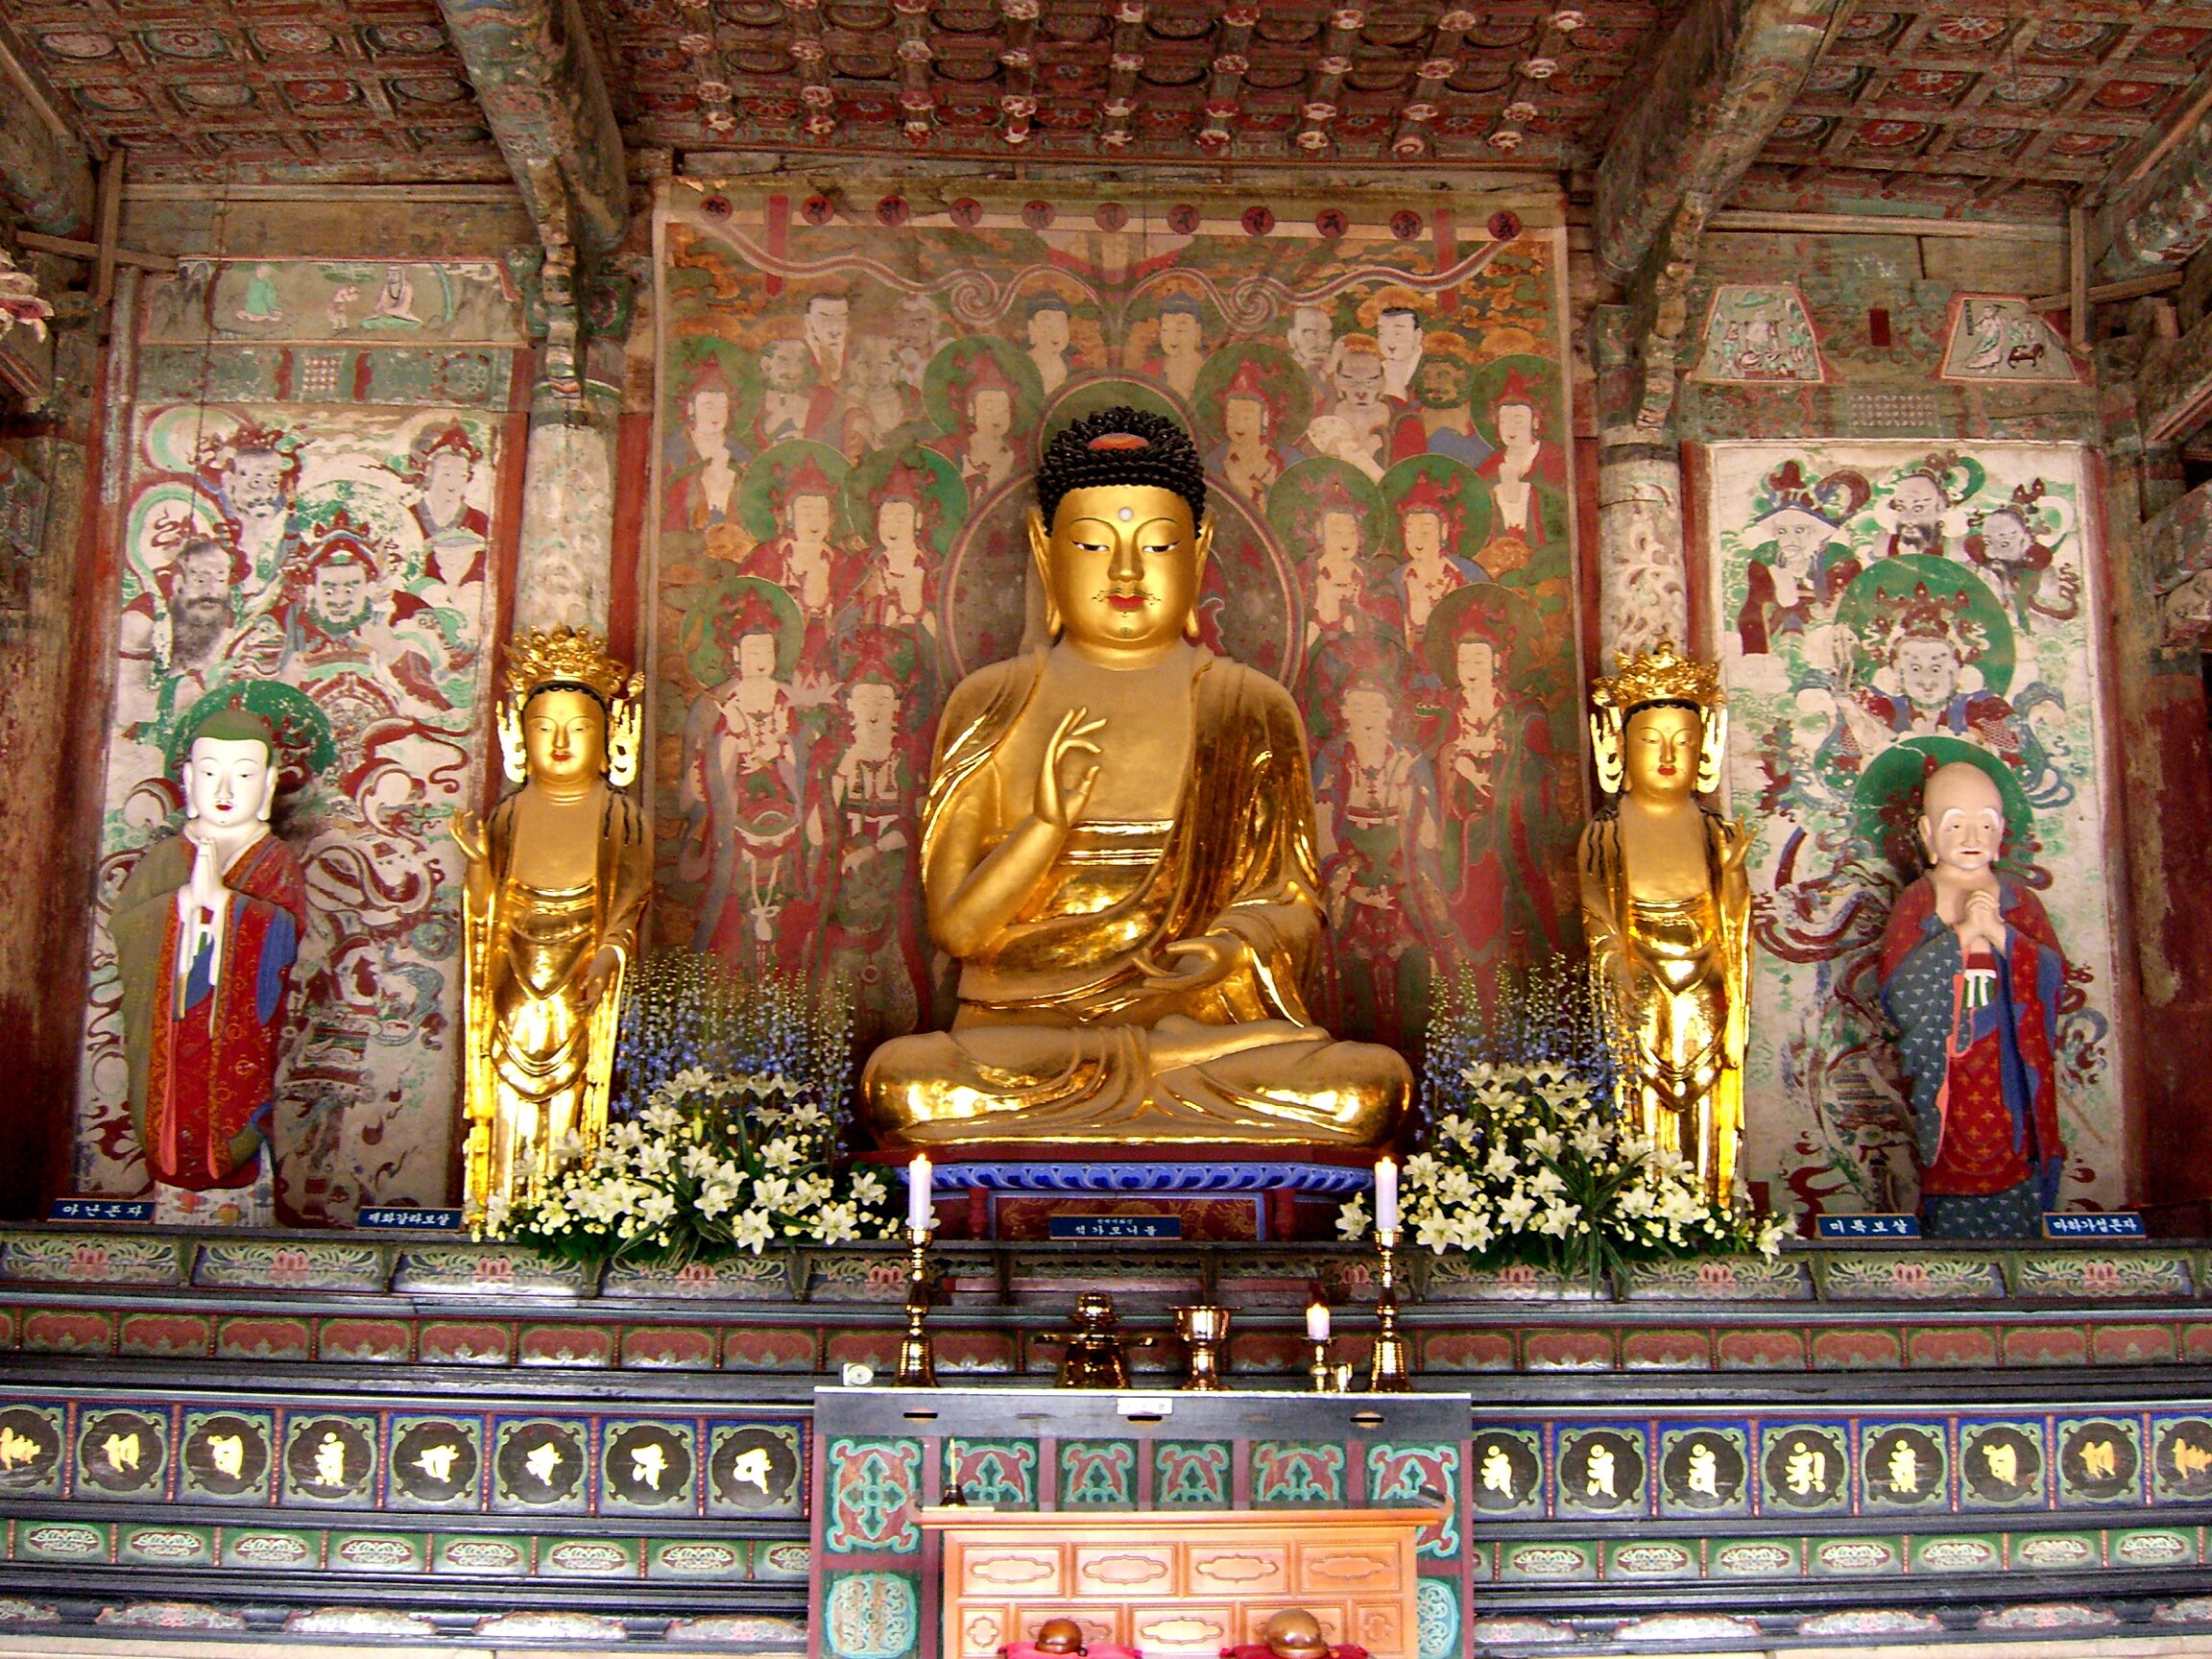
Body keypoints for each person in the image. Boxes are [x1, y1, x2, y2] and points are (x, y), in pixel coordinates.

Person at [859, 408, 1410, 1147]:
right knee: (904, 1082)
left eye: (1158, 545)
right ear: (1044, 549)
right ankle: (1164, 1065)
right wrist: (1045, 827)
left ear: (1200, 551)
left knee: (1370, 1086)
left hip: (1209, 1029)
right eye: (1093, 544)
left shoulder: (1250, 707)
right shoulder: (992, 703)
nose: (1126, 571)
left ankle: (1175, 1056)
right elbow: (958, 931)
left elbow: (1288, 901)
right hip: (1025, 1039)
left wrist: (1233, 948)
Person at [451, 629, 650, 1225]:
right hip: (510, 979)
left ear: (610, 738)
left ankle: (566, 1211)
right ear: (519, 737)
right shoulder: (507, 816)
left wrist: (608, 955)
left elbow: (631, 903)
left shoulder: (621, 817)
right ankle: (497, 1206)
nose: (560, 742)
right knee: (506, 1095)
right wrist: (479, 865)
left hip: (583, 980)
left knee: (574, 1098)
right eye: (543, 728)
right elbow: (484, 914)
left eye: (579, 728)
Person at [110, 707, 307, 1217]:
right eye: (209, 771)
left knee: (235, 1126)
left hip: (234, 1041)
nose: (224, 788)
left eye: (243, 775)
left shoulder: (275, 860)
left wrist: (223, 905)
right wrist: (182, 904)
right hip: (169, 1037)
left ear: (268, 786)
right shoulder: (164, 859)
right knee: (168, 1114)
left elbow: (285, 940)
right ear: (188, 780)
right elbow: (126, 931)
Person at [1579, 642, 1751, 1203]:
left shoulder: (1715, 831)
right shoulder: (1606, 834)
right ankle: (1643, 1207)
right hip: (1638, 986)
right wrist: (1622, 975)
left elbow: (1734, 924)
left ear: (1705, 750)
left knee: (1707, 1099)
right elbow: (1598, 919)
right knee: (1640, 1100)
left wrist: (1732, 877)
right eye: (1651, 741)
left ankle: (1711, 1200)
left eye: (1684, 740)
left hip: (1707, 987)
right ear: (1620, 750)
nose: (1669, 755)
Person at [1877, 760, 2068, 1238]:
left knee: (2015, 1140)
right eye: (1955, 825)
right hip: (1951, 1063)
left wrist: (2001, 934)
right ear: (1927, 833)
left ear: (2001, 831)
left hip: (2008, 1059)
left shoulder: (2020, 901)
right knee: (1955, 1144)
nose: (1971, 837)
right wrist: (1963, 933)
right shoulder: (1920, 899)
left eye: (1984, 825)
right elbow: (1899, 989)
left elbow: (2053, 978)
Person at [1734, 459, 1869, 656]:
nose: (1790, 539)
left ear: (1817, 532)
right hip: (1778, 643)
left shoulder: (1838, 559)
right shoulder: (1767, 559)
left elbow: (1851, 611)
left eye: (1800, 530)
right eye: (1782, 531)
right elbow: (1753, 611)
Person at [664, 359, 754, 533]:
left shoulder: (740, 454)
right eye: (708, 406)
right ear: (691, 408)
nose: (716, 414)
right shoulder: (675, 449)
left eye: (722, 406)